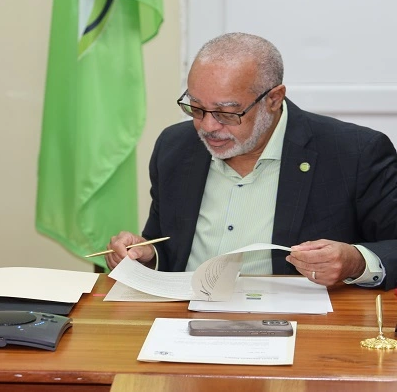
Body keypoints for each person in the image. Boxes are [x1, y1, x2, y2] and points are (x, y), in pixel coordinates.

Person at [105, 32, 397, 290]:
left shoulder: (354, 152)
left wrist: (357, 262)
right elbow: (166, 246)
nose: (207, 127)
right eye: (195, 108)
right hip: (183, 320)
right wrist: (145, 257)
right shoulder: (175, 146)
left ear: (273, 99)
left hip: (301, 327)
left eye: (226, 113)